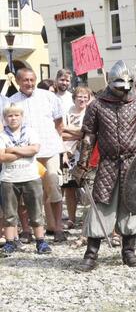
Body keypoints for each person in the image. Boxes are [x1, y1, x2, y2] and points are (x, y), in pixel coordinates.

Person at [73, 60, 136, 271]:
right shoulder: (96, 105)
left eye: (127, 85)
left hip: (134, 162)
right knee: (101, 205)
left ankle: (128, 252)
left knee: (131, 207)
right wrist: (82, 164)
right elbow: (88, 137)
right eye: (120, 85)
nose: (124, 90)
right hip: (108, 163)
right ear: (111, 82)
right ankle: (91, 255)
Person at [9, 68, 66, 242]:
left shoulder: (49, 97)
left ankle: (58, 227)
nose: (29, 83)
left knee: (54, 186)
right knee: (26, 192)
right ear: (18, 81)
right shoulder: (11, 102)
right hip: (25, 154)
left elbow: (59, 123)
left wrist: (53, 141)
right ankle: (27, 230)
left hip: (49, 150)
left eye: (32, 80)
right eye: (25, 80)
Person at [0, 104, 51, 256]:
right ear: (5, 118)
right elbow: (2, 157)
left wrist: (13, 150)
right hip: (9, 178)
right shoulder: (2, 136)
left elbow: (35, 149)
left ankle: (41, 241)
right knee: (9, 213)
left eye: (16, 115)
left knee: (35, 211)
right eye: (10, 116)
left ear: (22, 117)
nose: (13, 118)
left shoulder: (30, 132)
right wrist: (24, 151)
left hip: (30, 176)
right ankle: (10, 243)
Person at [60, 86, 92, 229]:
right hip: (67, 154)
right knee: (69, 188)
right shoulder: (66, 112)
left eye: (85, 96)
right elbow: (60, 132)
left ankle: (89, 219)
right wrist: (79, 133)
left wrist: (72, 131)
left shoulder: (90, 112)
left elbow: (87, 132)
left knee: (89, 187)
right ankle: (71, 219)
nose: (83, 99)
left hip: (85, 154)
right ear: (74, 98)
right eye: (80, 96)